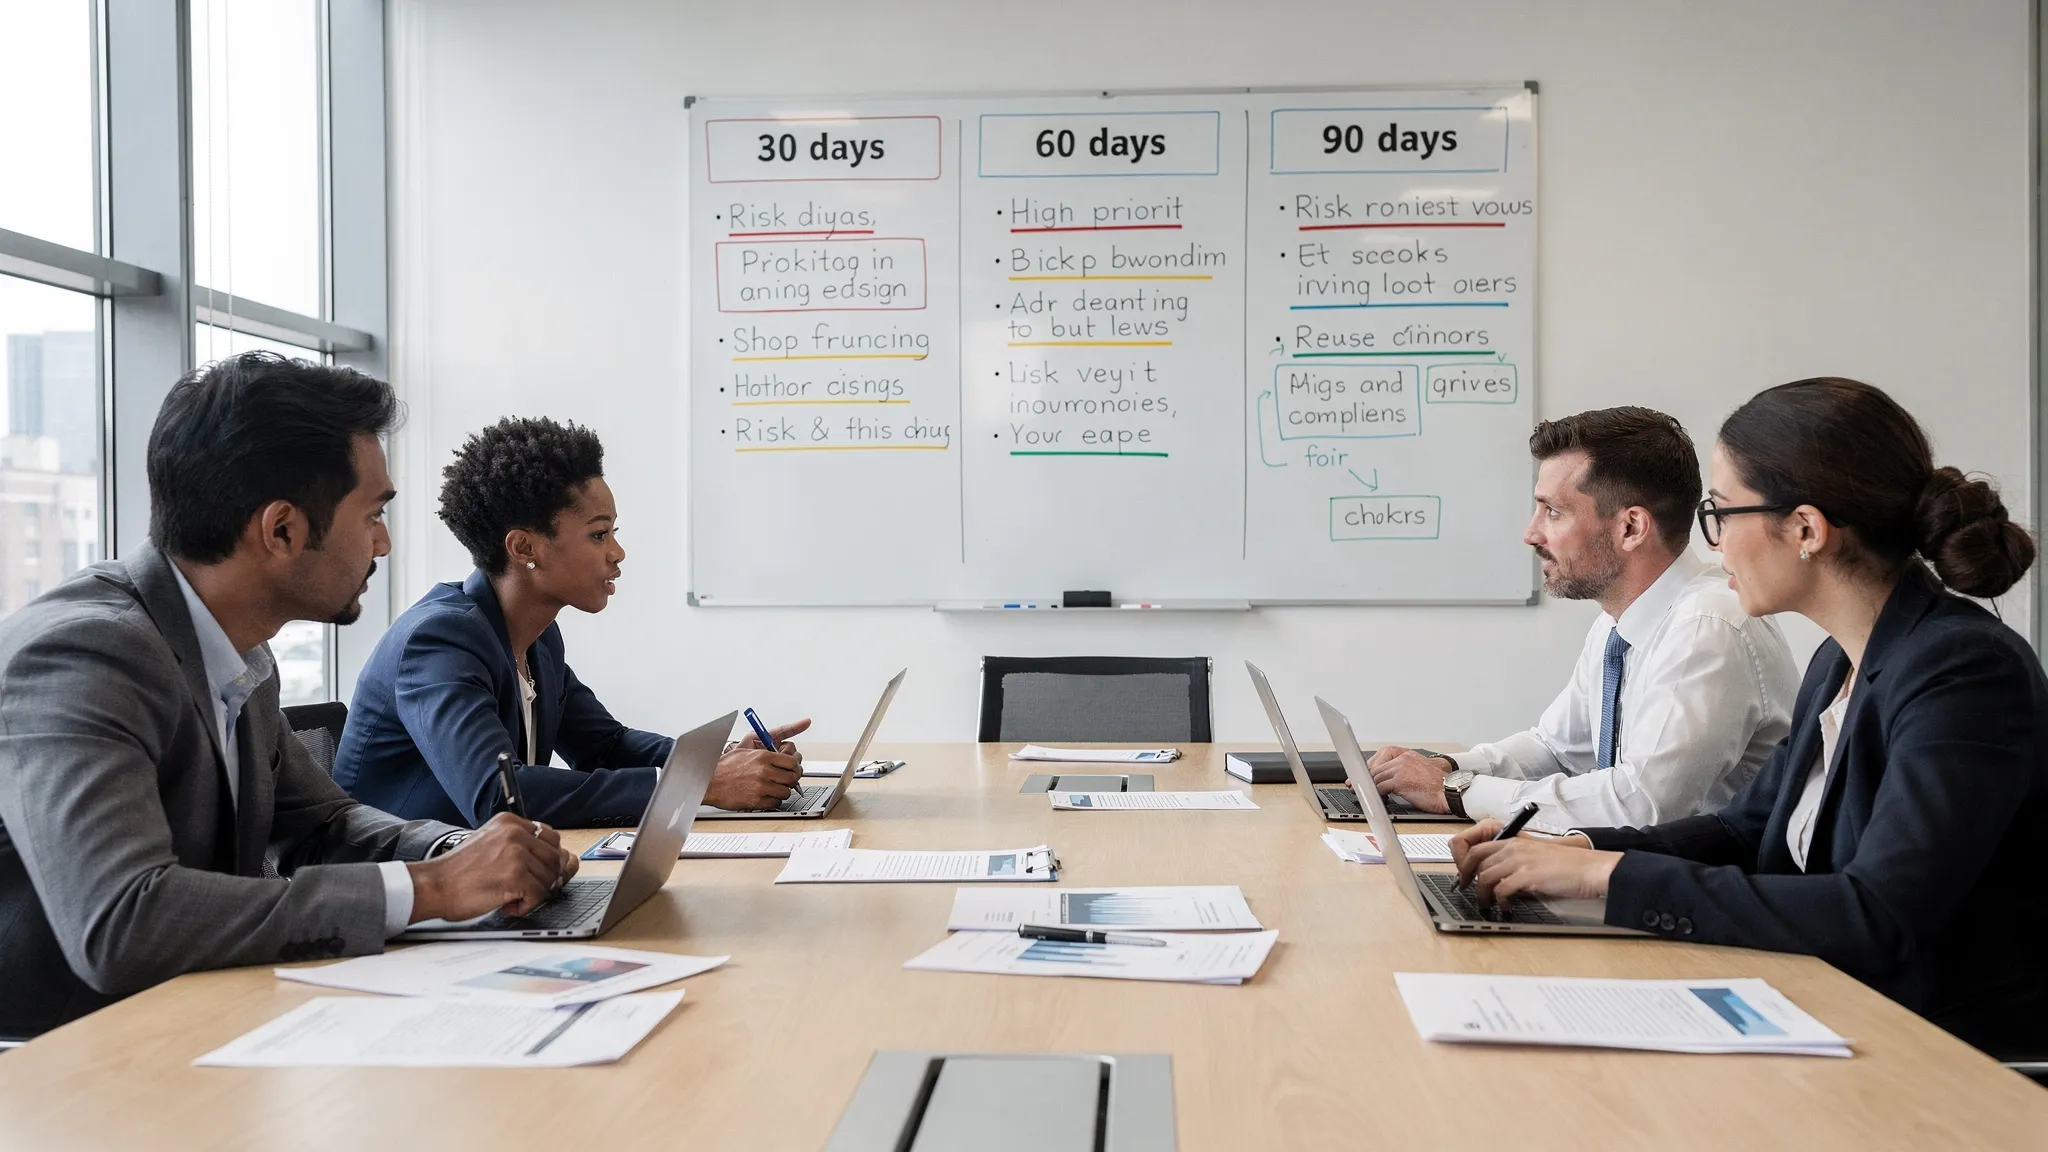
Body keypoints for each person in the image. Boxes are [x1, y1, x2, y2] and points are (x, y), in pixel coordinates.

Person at [1451, 378, 2047, 1056]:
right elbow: (1744, 829)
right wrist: (1582, 851)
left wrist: (1608, 878)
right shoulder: (1838, 661)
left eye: (1722, 515)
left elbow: (1879, 915)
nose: (1713, 546)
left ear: (1806, 530)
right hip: (1824, 1010)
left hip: (1937, 1055)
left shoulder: (1964, 671)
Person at [0, 353, 575, 1037]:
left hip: (202, 1025)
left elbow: (324, 828)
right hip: (64, 1065)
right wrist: (435, 889)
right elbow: (123, 919)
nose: (384, 543)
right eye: (372, 515)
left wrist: (468, 851)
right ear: (281, 530)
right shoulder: (82, 655)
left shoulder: (239, 648)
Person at [334, 416, 806, 828]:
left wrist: (718, 764)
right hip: (403, 899)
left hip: (492, 881)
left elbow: (606, 746)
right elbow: (499, 796)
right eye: (599, 534)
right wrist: (698, 784)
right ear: (523, 549)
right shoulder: (439, 641)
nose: (617, 553)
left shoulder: (537, 638)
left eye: (613, 533)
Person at [1370, 407, 1798, 828]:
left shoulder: (1707, 627)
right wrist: (1441, 766)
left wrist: (1455, 791)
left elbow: (1639, 806)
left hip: (1704, 886)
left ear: (1631, 528)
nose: (1531, 533)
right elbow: (1555, 749)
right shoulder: (1619, 623)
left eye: (1552, 511)